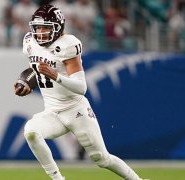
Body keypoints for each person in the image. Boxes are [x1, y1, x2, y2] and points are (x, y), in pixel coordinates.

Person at [14, 4, 144, 180]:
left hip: (76, 110)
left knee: (101, 158)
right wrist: (26, 81)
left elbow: (81, 87)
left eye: (46, 27)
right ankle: (58, 179)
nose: (41, 32)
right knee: (31, 132)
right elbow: (36, 70)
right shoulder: (30, 42)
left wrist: (55, 76)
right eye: (38, 27)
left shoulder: (68, 45)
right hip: (52, 111)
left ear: (58, 27)